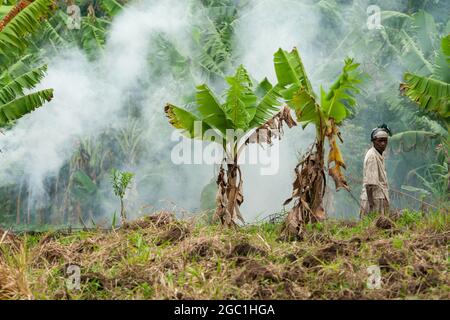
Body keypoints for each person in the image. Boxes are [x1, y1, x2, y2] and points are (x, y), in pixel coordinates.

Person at [360, 124, 392, 217]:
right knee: (372, 228)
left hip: (379, 198)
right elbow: (369, 184)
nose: (383, 144)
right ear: (373, 141)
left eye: (385, 141)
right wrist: (371, 205)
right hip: (374, 200)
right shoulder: (372, 156)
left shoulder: (379, 154)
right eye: (380, 141)